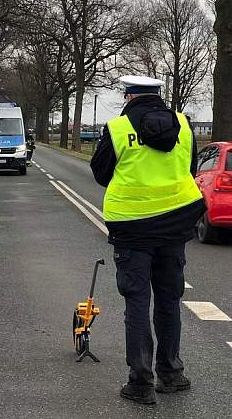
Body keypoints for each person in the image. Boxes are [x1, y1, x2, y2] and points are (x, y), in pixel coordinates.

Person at [90, 75, 205, 405]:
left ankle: (141, 383)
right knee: (169, 299)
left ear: (128, 96)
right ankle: (171, 373)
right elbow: (190, 168)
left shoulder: (117, 128)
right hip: (175, 226)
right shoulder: (183, 125)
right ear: (157, 95)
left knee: (137, 302)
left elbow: (100, 173)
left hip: (133, 229)